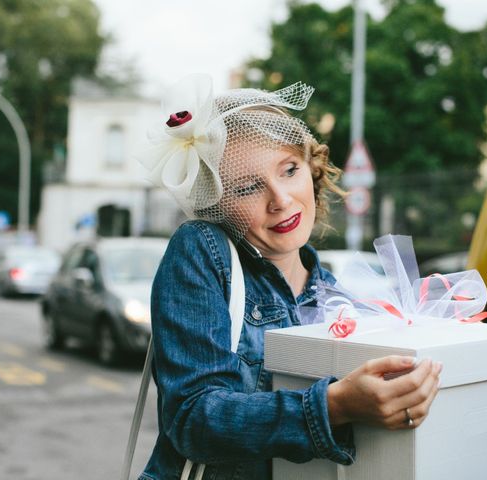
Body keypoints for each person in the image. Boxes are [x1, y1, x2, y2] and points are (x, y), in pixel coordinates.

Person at [137, 74, 442, 480]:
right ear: (218, 204)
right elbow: (193, 419)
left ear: (311, 167)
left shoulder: (339, 297)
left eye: (289, 169)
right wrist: (336, 406)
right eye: (247, 188)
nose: (280, 200)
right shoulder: (202, 251)